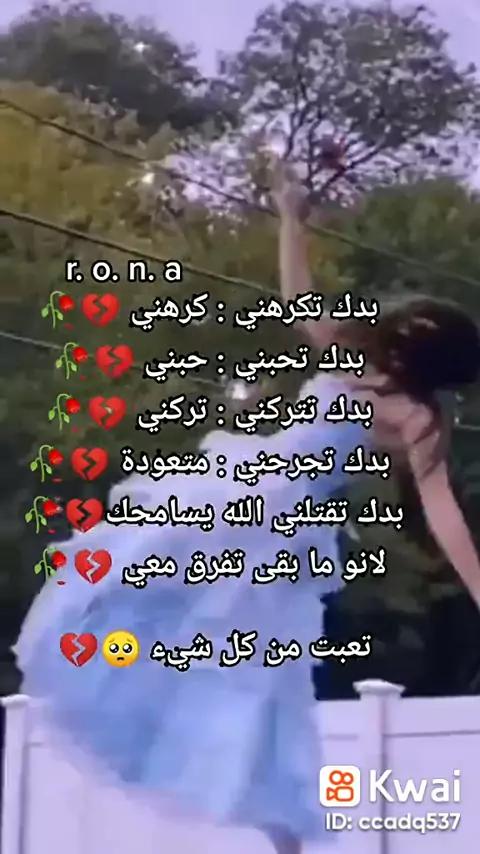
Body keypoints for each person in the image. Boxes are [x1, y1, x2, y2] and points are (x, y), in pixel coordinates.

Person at [14, 160, 480, 854]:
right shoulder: (359, 365)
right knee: (154, 589)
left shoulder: (412, 412)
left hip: (276, 522)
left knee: (261, 672)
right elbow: (298, 299)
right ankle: (116, 664)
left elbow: (442, 514)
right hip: (248, 494)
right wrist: (291, 219)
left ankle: (277, 822)